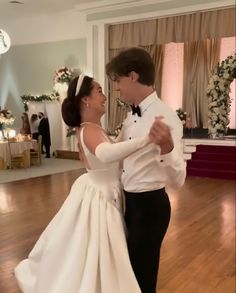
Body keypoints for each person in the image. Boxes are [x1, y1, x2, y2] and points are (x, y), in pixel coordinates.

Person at [14, 74, 158, 293]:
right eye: (99, 90)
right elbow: (106, 154)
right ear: (85, 100)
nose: (105, 96)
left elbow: (109, 152)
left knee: (93, 250)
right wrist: (147, 139)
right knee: (97, 249)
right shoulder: (89, 129)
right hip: (100, 195)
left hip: (102, 189)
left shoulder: (93, 128)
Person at [106, 47, 186, 293]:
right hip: (130, 202)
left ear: (132, 76)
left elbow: (179, 179)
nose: (117, 87)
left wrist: (167, 147)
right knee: (129, 271)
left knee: (142, 275)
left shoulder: (166, 116)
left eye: (118, 80)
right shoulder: (132, 117)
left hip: (150, 207)